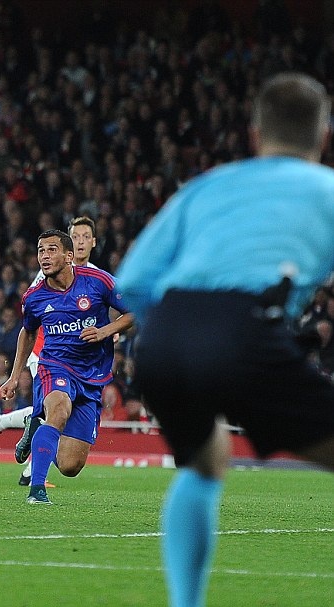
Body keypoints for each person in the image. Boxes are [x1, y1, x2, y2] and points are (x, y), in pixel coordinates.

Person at [115, 72, 334, 607]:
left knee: (206, 460)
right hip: (244, 329)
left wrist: (184, 332)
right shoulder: (326, 189)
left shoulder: (207, 186)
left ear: (254, 135)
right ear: (324, 135)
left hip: (164, 338)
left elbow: (131, 282)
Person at [0, 229, 132, 504]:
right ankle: (37, 490)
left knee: (71, 466)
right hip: (54, 366)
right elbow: (28, 332)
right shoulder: (34, 297)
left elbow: (133, 311)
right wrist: (14, 377)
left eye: (51, 250)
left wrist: (105, 331)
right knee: (58, 409)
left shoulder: (98, 281)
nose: (44, 256)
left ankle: (38, 430)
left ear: (69, 256)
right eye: (40, 251)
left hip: (92, 375)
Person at [0, 216, 100, 485]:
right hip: (46, 350)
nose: (80, 241)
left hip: (77, 359)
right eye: (75, 236)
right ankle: (27, 451)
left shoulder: (95, 276)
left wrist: (107, 332)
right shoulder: (49, 270)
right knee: (54, 409)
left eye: (85, 237)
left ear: (93, 242)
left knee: (56, 413)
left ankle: (16, 447)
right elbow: (32, 310)